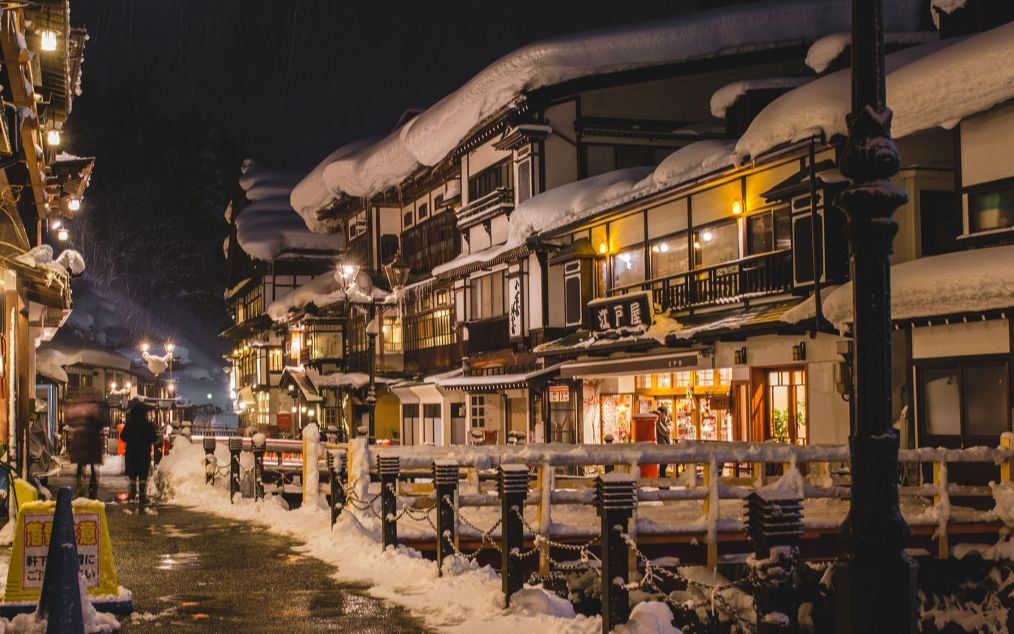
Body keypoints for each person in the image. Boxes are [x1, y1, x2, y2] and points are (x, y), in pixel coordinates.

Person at [66, 389, 107, 499]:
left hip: (79, 441)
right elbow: (102, 422)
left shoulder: (76, 409)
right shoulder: (94, 409)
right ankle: (92, 491)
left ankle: (80, 487)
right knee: (93, 467)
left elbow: (69, 420)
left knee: (80, 466)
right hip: (92, 441)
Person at [120, 398, 157, 514]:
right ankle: (142, 496)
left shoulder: (130, 424)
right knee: (142, 476)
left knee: (132, 475)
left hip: (131, 453)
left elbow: (123, 436)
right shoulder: (147, 425)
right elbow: (154, 438)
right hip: (143, 453)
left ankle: (132, 494)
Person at [655, 405, 673, 478]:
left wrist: (659, 423)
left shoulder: (670, 423)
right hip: (656, 449)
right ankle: (663, 486)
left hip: (666, 449)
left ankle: (664, 486)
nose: (659, 416)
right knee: (661, 470)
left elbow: (666, 432)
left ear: (665, 415)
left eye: (660, 414)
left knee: (663, 468)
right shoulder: (655, 422)